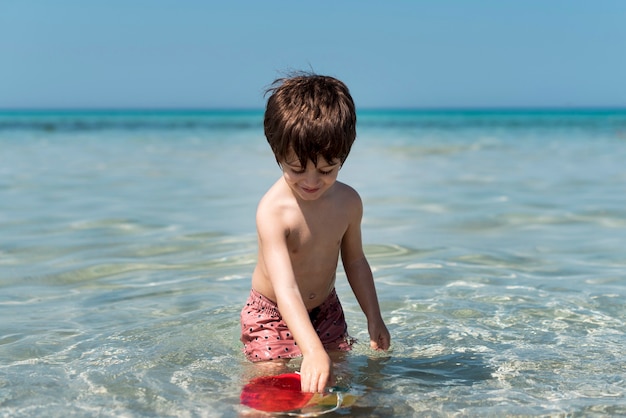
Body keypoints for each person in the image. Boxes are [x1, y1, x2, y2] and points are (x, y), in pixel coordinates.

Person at [240, 72, 390, 393]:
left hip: (326, 309)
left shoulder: (348, 202)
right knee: (271, 386)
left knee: (333, 387)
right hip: (272, 313)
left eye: (326, 170)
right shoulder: (273, 212)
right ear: (278, 154)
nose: (311, 181)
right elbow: (286, 290)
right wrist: (310, 349)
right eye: (297, 169)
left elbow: (355, 262)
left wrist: (373, 316)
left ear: (343, 158)